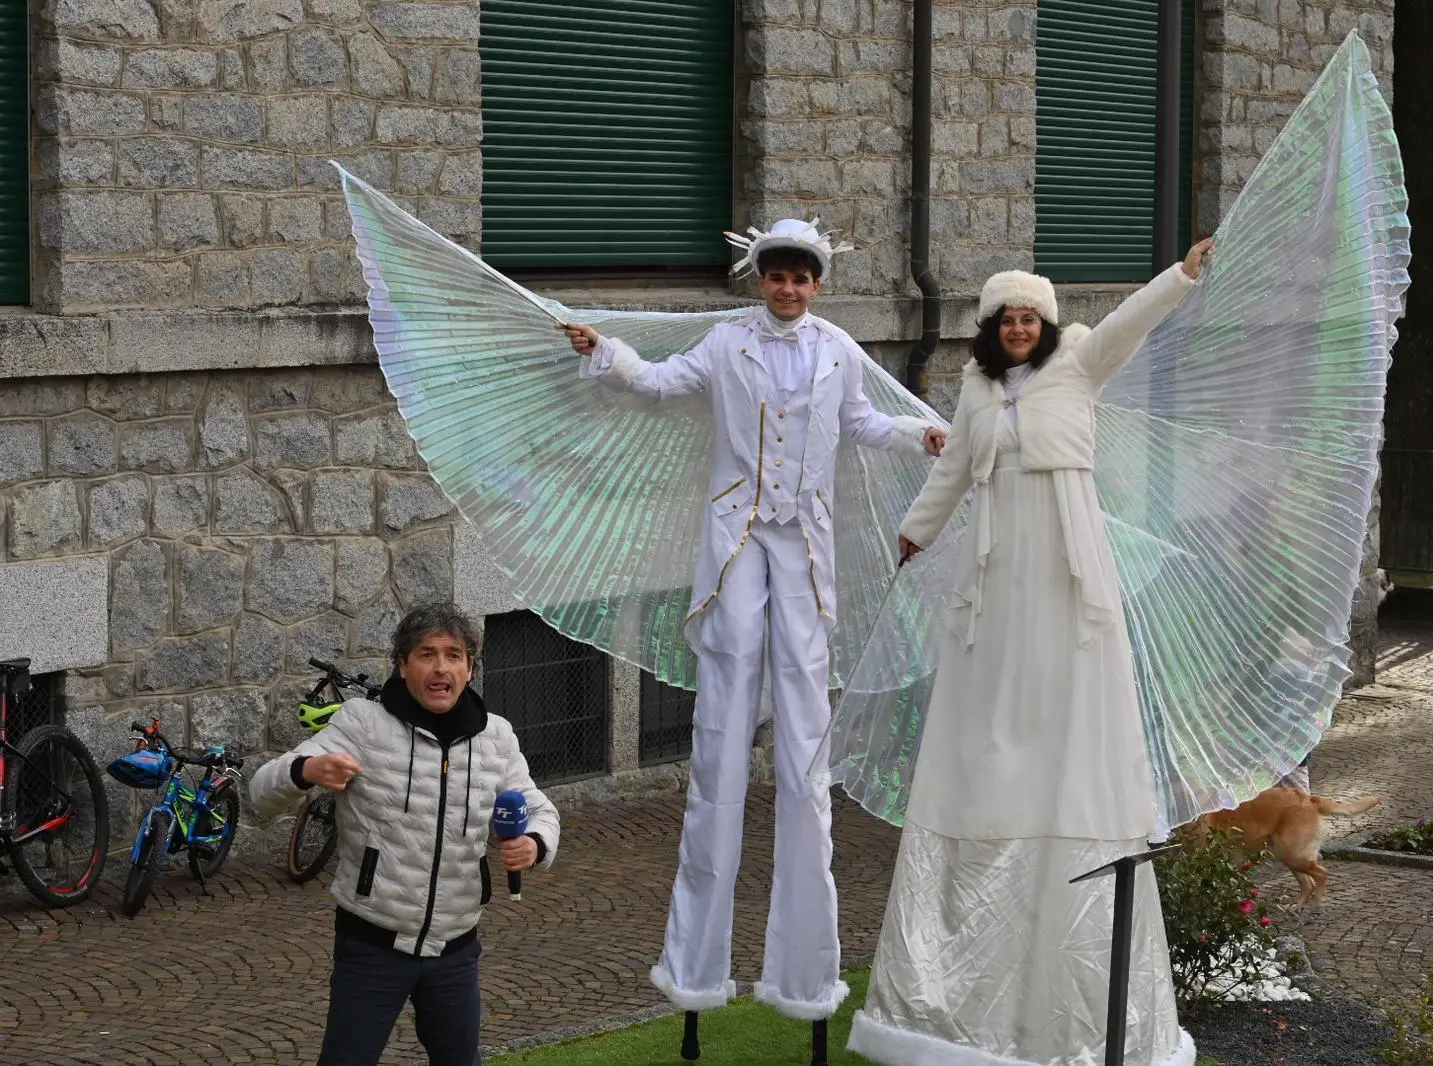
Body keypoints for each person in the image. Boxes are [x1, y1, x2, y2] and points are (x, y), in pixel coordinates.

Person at [560, 220, 946, 1026]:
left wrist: (923, 437)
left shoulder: (838, 349)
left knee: (805, 732)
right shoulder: (726, 342)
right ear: (760, 277)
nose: (788, 288)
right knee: (724, 712)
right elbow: (657, 383)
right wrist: (606, 352)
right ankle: (696, 965)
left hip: (803, 545)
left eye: (801, 277)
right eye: (777, 275)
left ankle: (805, 972)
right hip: (737, 538)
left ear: (816, 283)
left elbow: (864, 423)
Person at [850, 241, 1211, 1066]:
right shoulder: (977, 390)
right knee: (992, 713)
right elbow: (953, 472)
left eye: (1028, 318)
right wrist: (914, 532)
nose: (1018, 329)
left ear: (1045, 325)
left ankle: (1061, 810)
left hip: (1065, 565)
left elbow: (1125, 326)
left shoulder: (1078, 365)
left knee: (1065, 699)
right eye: (1006, 319)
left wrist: (1178, 277)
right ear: (990, 328)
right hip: (996, 570)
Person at [250, 603, 561, 1066]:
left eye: (453, 655)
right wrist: (306, 770)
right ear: (402, 664)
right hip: (371, 948)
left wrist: (534, 842)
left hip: (456, 950)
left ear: (470, 668)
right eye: (426, 654)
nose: (441, 668)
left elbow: (540, 810)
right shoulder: (362, 723)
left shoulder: (496, 737)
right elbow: (260, 793)